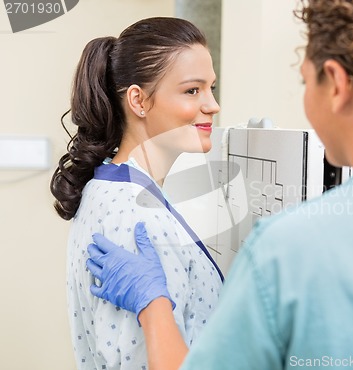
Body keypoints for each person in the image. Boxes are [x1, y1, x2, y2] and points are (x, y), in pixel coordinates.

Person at [87, 1, 353, 369]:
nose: (212, 104)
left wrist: (154, 304)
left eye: (306, 81)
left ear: (336, 84)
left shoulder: (288, 250)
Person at [50, 17, 224, 370]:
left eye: (212, 89)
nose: (212, 105)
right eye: (193, 90)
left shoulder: (108, 185)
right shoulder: (139, 218)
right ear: (139, 100)